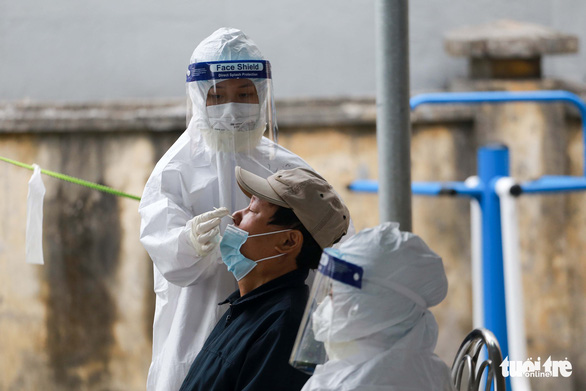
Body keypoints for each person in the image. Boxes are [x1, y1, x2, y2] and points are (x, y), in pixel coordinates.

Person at [138, 28, 314, 391]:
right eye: (217, 95)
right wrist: (188, 243)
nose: (233, 106)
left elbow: (331, 238)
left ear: (262, 93)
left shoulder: (287, 167)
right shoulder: (175, 170)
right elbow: (168, 254)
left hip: (272, 327)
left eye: (245, 93)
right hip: (196, 329)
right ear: (198, 96)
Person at [178, 166, 350, 391]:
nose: (236, 215)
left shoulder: (286, 329)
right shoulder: (249, 308)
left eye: (253, 210)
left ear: (288, 241)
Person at [291, 222, 455, 391]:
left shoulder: (365, 383)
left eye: (341, 290)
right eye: (331, 286)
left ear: (379, 304)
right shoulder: (426, 369)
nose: (329, 297)